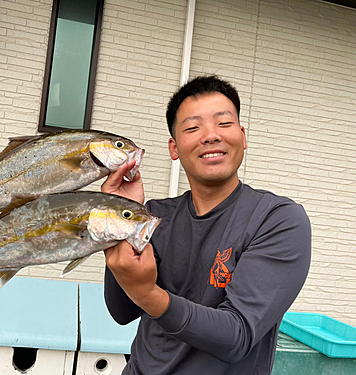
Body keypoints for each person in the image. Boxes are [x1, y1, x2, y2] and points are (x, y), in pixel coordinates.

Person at [101, 75, 311, 374]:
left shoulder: (276, 219)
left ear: (243, 136)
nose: (211, 135)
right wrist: (122, 214)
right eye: (193, 127)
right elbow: (122, 311)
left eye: (223, 124)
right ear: (174, 148)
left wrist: (149, 293)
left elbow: (237, 336)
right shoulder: (154, 216)